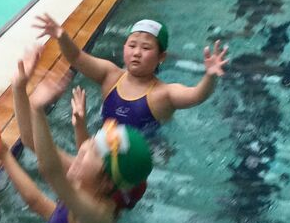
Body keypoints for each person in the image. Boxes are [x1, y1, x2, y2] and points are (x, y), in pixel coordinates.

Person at [0, 60, 152, 223]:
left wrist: (38, 111)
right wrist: (19, 89)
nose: (83, 147)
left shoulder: (98, 215)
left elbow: (49, 169)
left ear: (107, 181)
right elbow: (31, 146)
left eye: (93, 150)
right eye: (91, 141)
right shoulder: (84, 181)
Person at [33, 13, 229, 137]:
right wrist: (61, 36)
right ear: (124, 47)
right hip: (106, 140)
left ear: (161, 57)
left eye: (146, 48)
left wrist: (210, 76)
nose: (136, 53)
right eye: (132, 45)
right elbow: (76, 57)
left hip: (149, 148)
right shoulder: (110, 75)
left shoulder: (163, 94)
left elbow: (196, 95)